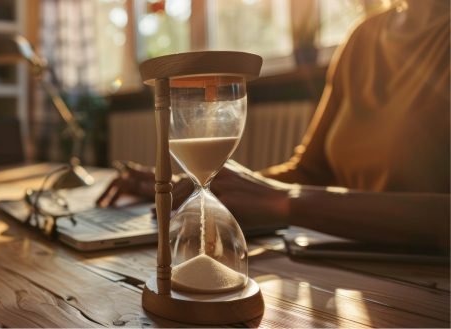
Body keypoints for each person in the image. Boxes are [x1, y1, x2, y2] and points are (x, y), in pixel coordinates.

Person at [97, 0, 450, 251]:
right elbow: (308, 171)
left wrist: (287, 202)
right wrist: (184, 186)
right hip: (346, 263)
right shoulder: (365, 37)